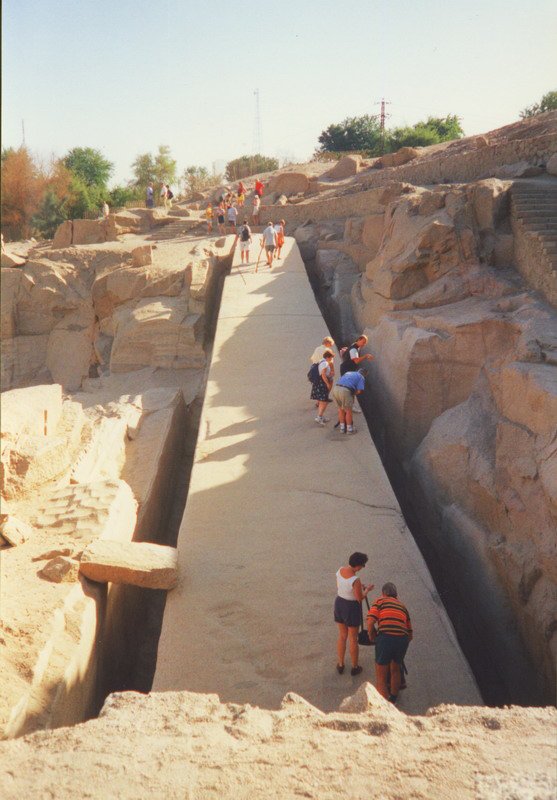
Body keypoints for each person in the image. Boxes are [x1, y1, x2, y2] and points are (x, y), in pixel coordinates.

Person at [366, 582, 412, 704]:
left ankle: (383, 705)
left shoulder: (380, 601)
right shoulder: (402, 606)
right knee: (395, 670)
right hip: (402, 639)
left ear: (383, 593)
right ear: (396, 595)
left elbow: (370, 621)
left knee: (380, 676)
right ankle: (393, 699)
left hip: (385, 637)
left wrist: (372, 636)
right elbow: (410, 634)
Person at [335, 552, 373, 676]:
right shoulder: (355, 580)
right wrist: (367, 590)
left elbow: (342, 586)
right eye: (362, 565)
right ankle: (354, 666)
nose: (362, 568)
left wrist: (357, 587)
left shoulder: (340, 570)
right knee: (353, 639)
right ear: (358, 566)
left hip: (339, 604)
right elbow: (359, 598)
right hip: (351, 608)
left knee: (342, 636)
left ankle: (340, 664)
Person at [332, 368, 365, 434]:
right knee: (348, 411)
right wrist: (352, 394)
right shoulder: (361, 377)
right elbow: (359, 391)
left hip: (336, 389)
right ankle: (349, 429)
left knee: (341, 409)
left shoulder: (348, 372)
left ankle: (342, 428)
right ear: (364, 374)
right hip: (345, 391)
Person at [311, 348, 334, 425]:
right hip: (322, 383)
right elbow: (323, 374)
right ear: (328, 357)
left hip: (319, 383)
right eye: (331, 357)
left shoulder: (321, 361)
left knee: (322, 401)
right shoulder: (325, 363)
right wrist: (327, 383)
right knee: (324, 401)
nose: (331, 359)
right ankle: (319, 417)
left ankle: (321, 416)